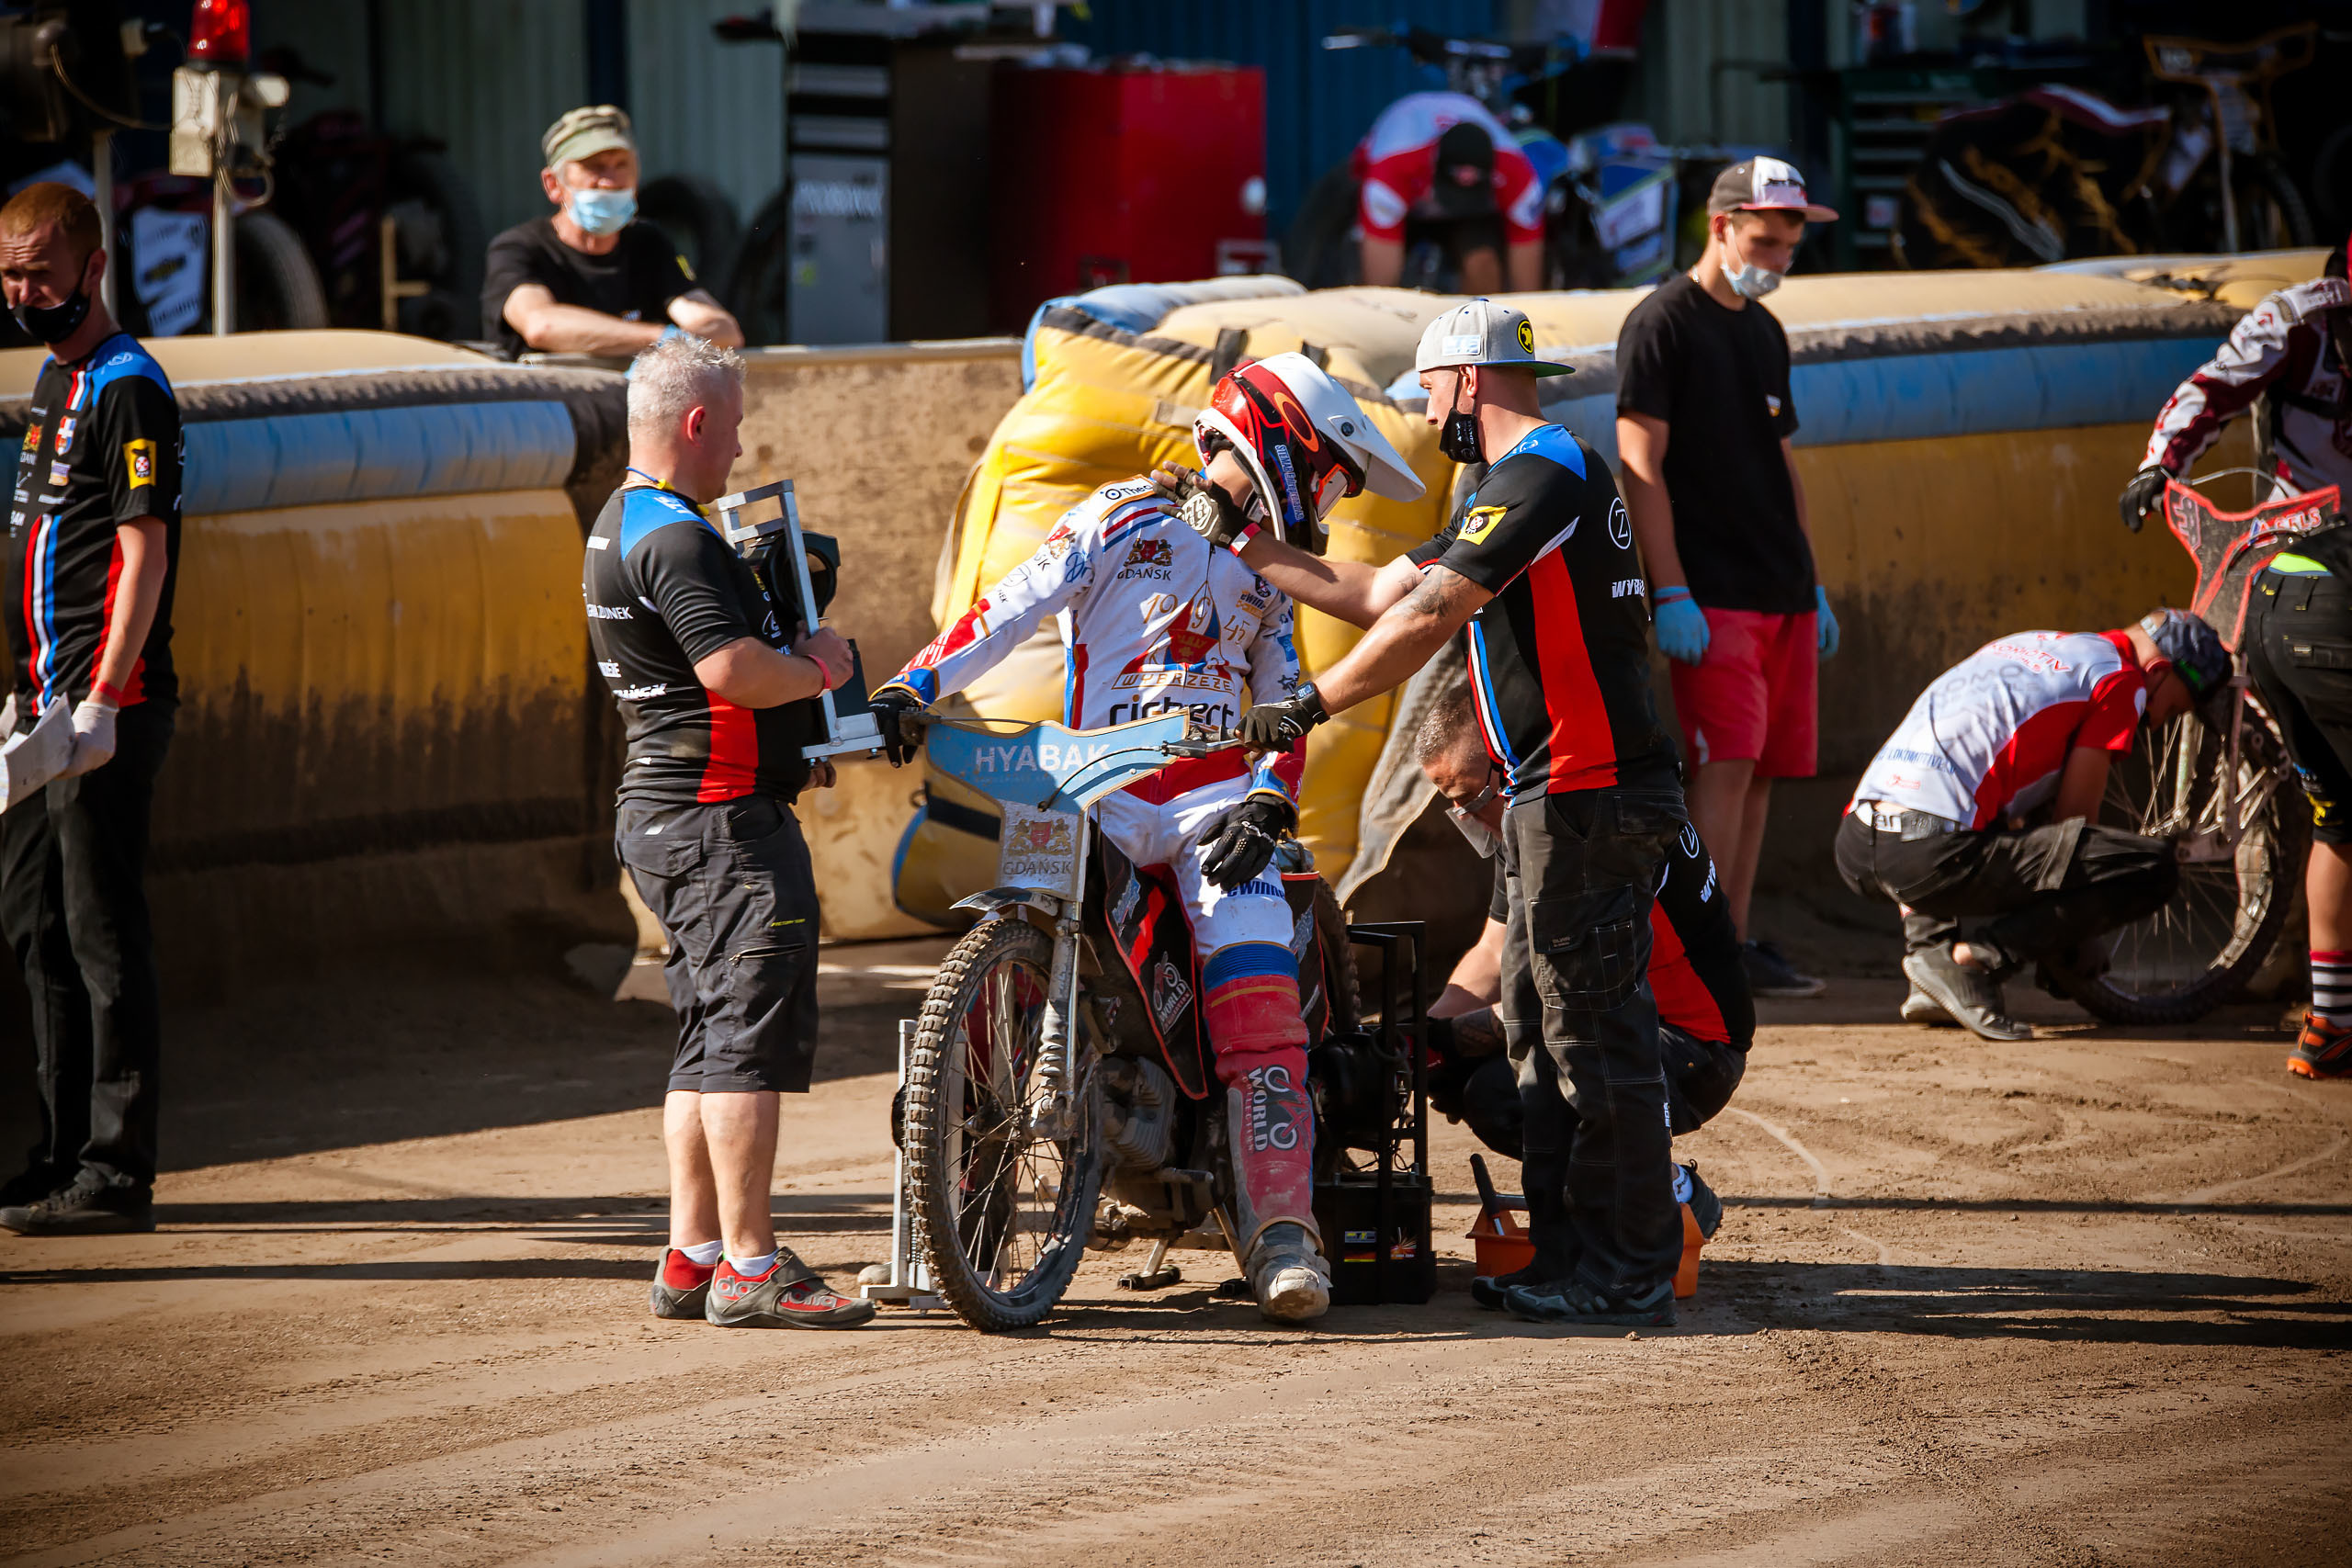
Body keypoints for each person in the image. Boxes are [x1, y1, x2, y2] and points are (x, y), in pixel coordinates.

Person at [869, 353, 1425, 1324]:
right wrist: (917, 684)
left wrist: (1268, 802)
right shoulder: (1121, 515)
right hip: (1099, 786)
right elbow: (1013, 605)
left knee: (1260, 1013)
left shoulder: (1268, 574)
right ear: (1285, 442)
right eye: (1331, 473)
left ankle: (1282, 1234)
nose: (1331, 496)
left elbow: (1287, 703)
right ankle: (969, 1210)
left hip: (1214, 807)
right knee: (1018, 941)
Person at [1225, 298, 1690, 1329]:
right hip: (1555, 794)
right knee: (1533, 1025)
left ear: (1465, 382)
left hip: (1589, 792)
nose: (1429, 409)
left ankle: (1629, 1268)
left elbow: (1432, 612)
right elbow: (1382, 587)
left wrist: (1307, 702)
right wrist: (1250, 547)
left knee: (1590, 1037)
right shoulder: (1514, 485)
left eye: (1430, 391)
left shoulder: (1542, 473)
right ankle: (1568, 1255)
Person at [585, 333, 871, 1329]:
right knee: (743, 1045)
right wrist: (822, 672)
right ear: (697, 423)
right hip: (719, 827)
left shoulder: (620, 520)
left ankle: (692, 1252)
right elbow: (730, 673)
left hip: (668, 815)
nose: (741, 452)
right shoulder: (675, 534)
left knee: (705, 1040)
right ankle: (749, 1265)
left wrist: (794, 728)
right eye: (736, 427)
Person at [1412, 688, 1748, 1304]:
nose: (1470, 819)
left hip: (1695, 1045)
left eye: (1472, 799)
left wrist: (1436, 1044)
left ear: (1507, 759)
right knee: (1475, 1071)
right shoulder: (1536, 821)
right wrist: (1421, 1030)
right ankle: (1601, 1221)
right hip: (1621, 1017)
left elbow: (1564, 998)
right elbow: (1493, 954)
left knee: (1505, 1087)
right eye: (1453, 808)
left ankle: (1653, 1201)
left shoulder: (1594, 830)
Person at [2122, 235, 2352, 1078]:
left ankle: (2325, 1003)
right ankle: (2311, 989)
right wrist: (2160, 464)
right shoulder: (2295, 321)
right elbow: (2211, 388)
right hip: (2301, 566)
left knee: (2336, 810)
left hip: (2299, 588)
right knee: (2318, 789)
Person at [0, 186, 183, 1238]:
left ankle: (115, 1174)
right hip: (34, 709)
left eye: (41, 272)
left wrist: (105, 699)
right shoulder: (52, 377)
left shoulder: (128, 387)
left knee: (101, 934)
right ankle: (58, 1153)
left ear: (92, 267)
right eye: (11, 276)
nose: (26, 291)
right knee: (35, 927)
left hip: (98, 712)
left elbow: (141, 549)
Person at [1615, 157, 1840, 1001]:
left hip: (1780, 590)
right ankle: (1689, 959)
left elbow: (1783, 466)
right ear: (1719, 226)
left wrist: (1811, 583)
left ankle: (1731, 945)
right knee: (1725, 769)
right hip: (1713, 596)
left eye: (1789, 245)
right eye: (1766, 240)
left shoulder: (1764, 331)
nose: (1779, 257)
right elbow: (1640, 463)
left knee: (1764, 772)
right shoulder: (1663, 323)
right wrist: (1668, 588)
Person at [1835, 611, 2225, 1042]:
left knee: (1970, 806)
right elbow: (2076, 822)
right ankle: (1979, 960)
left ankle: (1931, 956)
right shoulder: (2121, 680)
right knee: (2152, 867)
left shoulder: (2033, 642)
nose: (2155, 721)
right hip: (1926, 853)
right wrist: (2078, 928)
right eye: (2171, 707)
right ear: (2159, 671)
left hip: (1856, 842)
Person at [484, 106, 743, 359]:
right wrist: (663, 339)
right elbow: (542, 326)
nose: (610, 181)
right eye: (594, 167)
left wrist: (685, 333)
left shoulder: (648, 244)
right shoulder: (518, 248)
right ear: (554, 184)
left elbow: (722, 329)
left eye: (621, 165)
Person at [1353, 91, 1544, 294]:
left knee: (1483, 264)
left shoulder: (1516, 173)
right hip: (1400, 181)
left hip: (1469, 206)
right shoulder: (1392, 168)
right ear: (1433, 166)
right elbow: (1379, 289)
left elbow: (1527, 287)